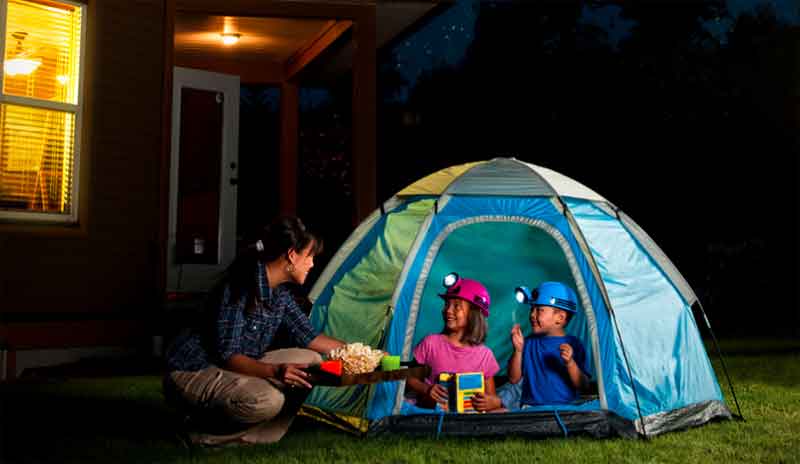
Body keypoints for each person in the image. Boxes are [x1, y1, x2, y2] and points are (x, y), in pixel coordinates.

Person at [163, 216, 345, 446]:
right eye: (309, 256)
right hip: (193, 370)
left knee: (313, 361)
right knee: (267, 400)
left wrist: (369, 354)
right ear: (292, 255)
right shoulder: (238, 286)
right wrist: (274, 370)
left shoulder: (279, 295)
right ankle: (199, 435)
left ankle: (254, 436)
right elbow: (227, 356)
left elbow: (311, 338)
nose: (312, 264)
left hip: (235, 364)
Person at [405, 273, 501, 413]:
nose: (448, 310)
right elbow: (408, 377)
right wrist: (427, 389)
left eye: (456, 306)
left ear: (473, 313)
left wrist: (493, 402)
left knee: (502, 412)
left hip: (468, 418)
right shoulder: (430, 343)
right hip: (431, 413)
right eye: (447, 304)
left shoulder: (485, 355)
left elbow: (491, 397)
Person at [494, 281, 590, 410]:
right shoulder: (527, 343)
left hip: (565, 411)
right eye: (532, 309)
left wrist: (570, 364)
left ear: (560, 318)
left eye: (539, 310)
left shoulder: (574, 345)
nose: (532, 315)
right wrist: (518, 351)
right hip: (530, 410)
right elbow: (513, 379)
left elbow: (583, 385)